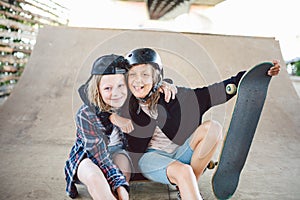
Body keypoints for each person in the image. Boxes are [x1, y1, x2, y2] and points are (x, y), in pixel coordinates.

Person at [114, 47, 281, 200]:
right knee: (183, 171)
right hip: (149, 158)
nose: (138, 81)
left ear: (156, 77)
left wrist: (255, 74)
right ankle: (187, 183)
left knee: (213, 127)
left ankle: (186, 188)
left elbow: (215, 92)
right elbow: (96, 94)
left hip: (182, 152)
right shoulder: (124, 103)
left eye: (145, 74)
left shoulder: (179, 97)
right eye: (133, 75)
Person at [64, 54, 132, 200]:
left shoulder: (130, 105)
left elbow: (150, 85)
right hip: (88, 155)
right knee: (95, 178)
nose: (116, 93)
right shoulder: (85, 114)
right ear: (97, 90)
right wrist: (121, 187)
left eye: (121, 85)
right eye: (108, 88)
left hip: (117, 152)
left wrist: (165, 85)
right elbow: (100, 158)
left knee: (123, 168)